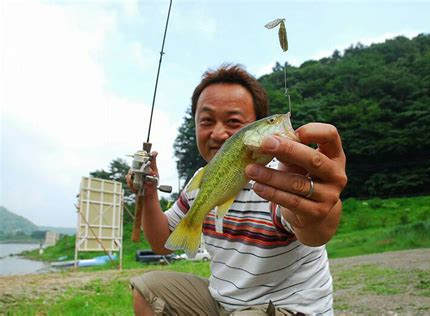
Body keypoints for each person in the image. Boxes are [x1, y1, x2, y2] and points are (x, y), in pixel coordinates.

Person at [126, 64, 347, 315]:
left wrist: (317, 209)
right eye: (207, 120)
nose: (219, 133)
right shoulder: (201, 179)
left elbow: (314, 231)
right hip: (224, 305)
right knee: (148, 289)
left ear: (254, 126)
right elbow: (162, 243)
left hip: (287, 309)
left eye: (233, 122)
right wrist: (148, 191)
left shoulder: (282, 176)